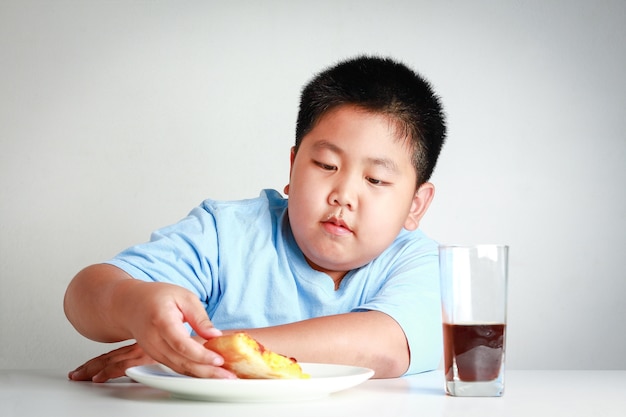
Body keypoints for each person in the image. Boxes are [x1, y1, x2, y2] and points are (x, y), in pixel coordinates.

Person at [63, 55, 447, 382]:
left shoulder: (417, 262)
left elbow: (386, 347)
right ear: (294, 166)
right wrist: (132, 304)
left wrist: (208, 348)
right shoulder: (225, 233)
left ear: (416, 204)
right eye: (326, 164)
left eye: (375, 179)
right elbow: (81, 296)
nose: (343, 195)